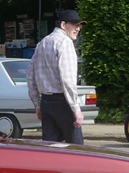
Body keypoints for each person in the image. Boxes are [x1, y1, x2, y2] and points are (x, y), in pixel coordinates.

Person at [27, 9, 86, 145]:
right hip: (63, 102)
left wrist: (37, 104)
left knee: (51, 149)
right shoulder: (65, 43)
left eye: (79, 26)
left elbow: (30, 76)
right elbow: (67, 80)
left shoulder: (42, 43)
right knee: (77, 149)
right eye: (74, 25)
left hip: (46, 102)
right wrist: (76, 109)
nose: (78, 29)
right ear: (63, 25)